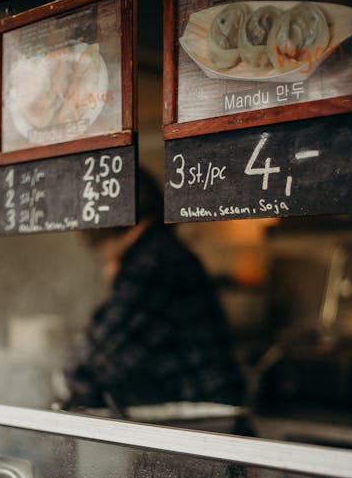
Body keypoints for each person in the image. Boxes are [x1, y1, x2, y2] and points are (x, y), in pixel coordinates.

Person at [62, 169, 244, 414]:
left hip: (205, 424)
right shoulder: (162, 251)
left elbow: (96, 360)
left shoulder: (151, 261)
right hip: (203, 414)